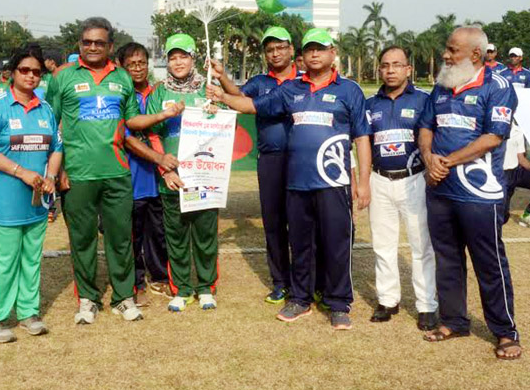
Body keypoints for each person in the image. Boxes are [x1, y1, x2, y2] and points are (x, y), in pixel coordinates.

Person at [208, 28, 372, 329]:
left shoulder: (350, 90)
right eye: (310, 49)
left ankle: (338, 303)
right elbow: (252, 105)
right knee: (301, 242)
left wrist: (363, 182)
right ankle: (299, 298)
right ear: (303, 55)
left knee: (335, 242)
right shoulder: (292, 89)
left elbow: (362, 137)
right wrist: (221, 95)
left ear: (332, 52)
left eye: (320, 49)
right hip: (297, 181)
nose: (314, 54)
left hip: (333, 181)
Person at [46, 17, 183, 325]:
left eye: (99, 43)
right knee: (82, 240)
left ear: (109, 46)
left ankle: (124, 297)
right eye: (86, 42)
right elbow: (50, 124)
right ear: (80, 44)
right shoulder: (62, 76)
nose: (92, 47)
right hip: (77, 174)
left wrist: (164, 114)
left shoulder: (121, 77)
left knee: (121, 238)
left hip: (117, 173)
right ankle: (88, 299)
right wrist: (60, 168)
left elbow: (131, 123)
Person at [418, 26, 521, 360]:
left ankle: (505, 333)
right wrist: (428, 158)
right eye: (446, 49)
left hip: (480, 195)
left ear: (475, 54)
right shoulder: (441, 86)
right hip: (440, 190)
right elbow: (425, 127)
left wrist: (444, 161)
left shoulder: (498, 87)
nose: (446, 56)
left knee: (489, 263)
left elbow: (493, 137)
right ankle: (453, 321)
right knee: (447, 259)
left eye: (452, 50)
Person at [0, 45, 63, 343]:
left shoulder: (45, 108)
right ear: (12, 73)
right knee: (3, 262)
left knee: (31, 259)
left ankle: (28, 312)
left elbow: (56, 149)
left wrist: (50, 176)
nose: (30, 76)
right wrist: (23, 173)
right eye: (24, 70)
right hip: (4, 200)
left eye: (36, 71)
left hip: (37, 204)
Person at [210, 26, 297, 305]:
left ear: (291, 49)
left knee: (302, 223)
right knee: (273, 223)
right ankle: (281, 282)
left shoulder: (306, 81)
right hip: (270, 160)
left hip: (302, 161)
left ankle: (306, 281)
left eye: (281, 47)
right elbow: (240, 98)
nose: (275, 53)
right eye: (270, 49)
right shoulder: (260, 81)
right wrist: (222, 77)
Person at [144, 34, 220, 313]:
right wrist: (164, 169)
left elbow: (223, 130)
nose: (178, 62)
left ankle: (206, 288)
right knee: (175, 236)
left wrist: (216, 110)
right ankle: (182, 289)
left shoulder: (208, 88)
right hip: (172, 178)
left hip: (204, 177)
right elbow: (151, 132)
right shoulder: (159, 91)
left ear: (193, 58)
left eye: (183, 56)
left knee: (205, 235)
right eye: (172, 57)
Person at [365, 46, 438, 330]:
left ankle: (426, 306)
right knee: (383, 245)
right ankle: (387, 300)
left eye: (397, 65)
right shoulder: (370, 104)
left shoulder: (424, 101)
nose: (391, 70)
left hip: (414, 179)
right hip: (380, 179)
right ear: (379, 70)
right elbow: (363, 145)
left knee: (422, 245)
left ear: (409, 69)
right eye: (385, 65)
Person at [117, 42, 175, 306]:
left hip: (159, 177)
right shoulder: (118, 96)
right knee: (132, 233)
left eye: (142, 63)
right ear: (122, 66)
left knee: (158, 232)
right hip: (131, 175)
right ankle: (135, 282)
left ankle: (160, 277)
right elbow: (127, 137)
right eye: (132, 64)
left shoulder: (160, 92)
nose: (138, 68)